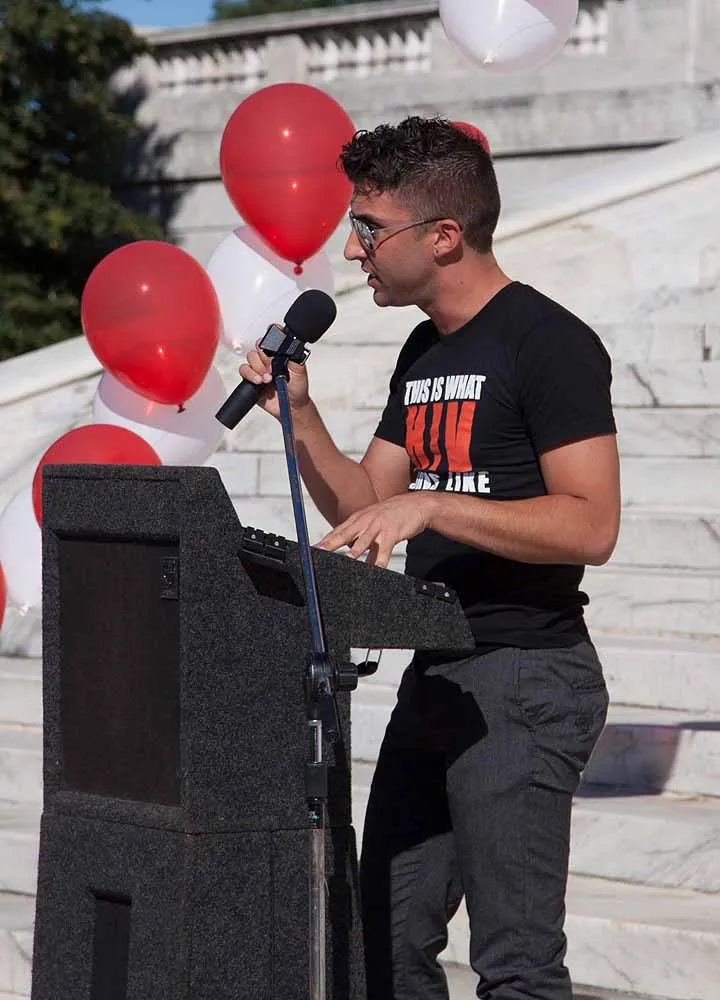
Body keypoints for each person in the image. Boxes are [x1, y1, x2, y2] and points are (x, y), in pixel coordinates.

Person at [239, 116, 620, 1000]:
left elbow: (592, 525)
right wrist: (300, 415)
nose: (353, 249)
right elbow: (367, 507)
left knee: (516, 967)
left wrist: (437, 504)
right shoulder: (423, 351)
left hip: (526, 673)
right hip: (440, 671)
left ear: (443, 236)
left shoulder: (549, 343)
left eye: (370, 228)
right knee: (383, 940)